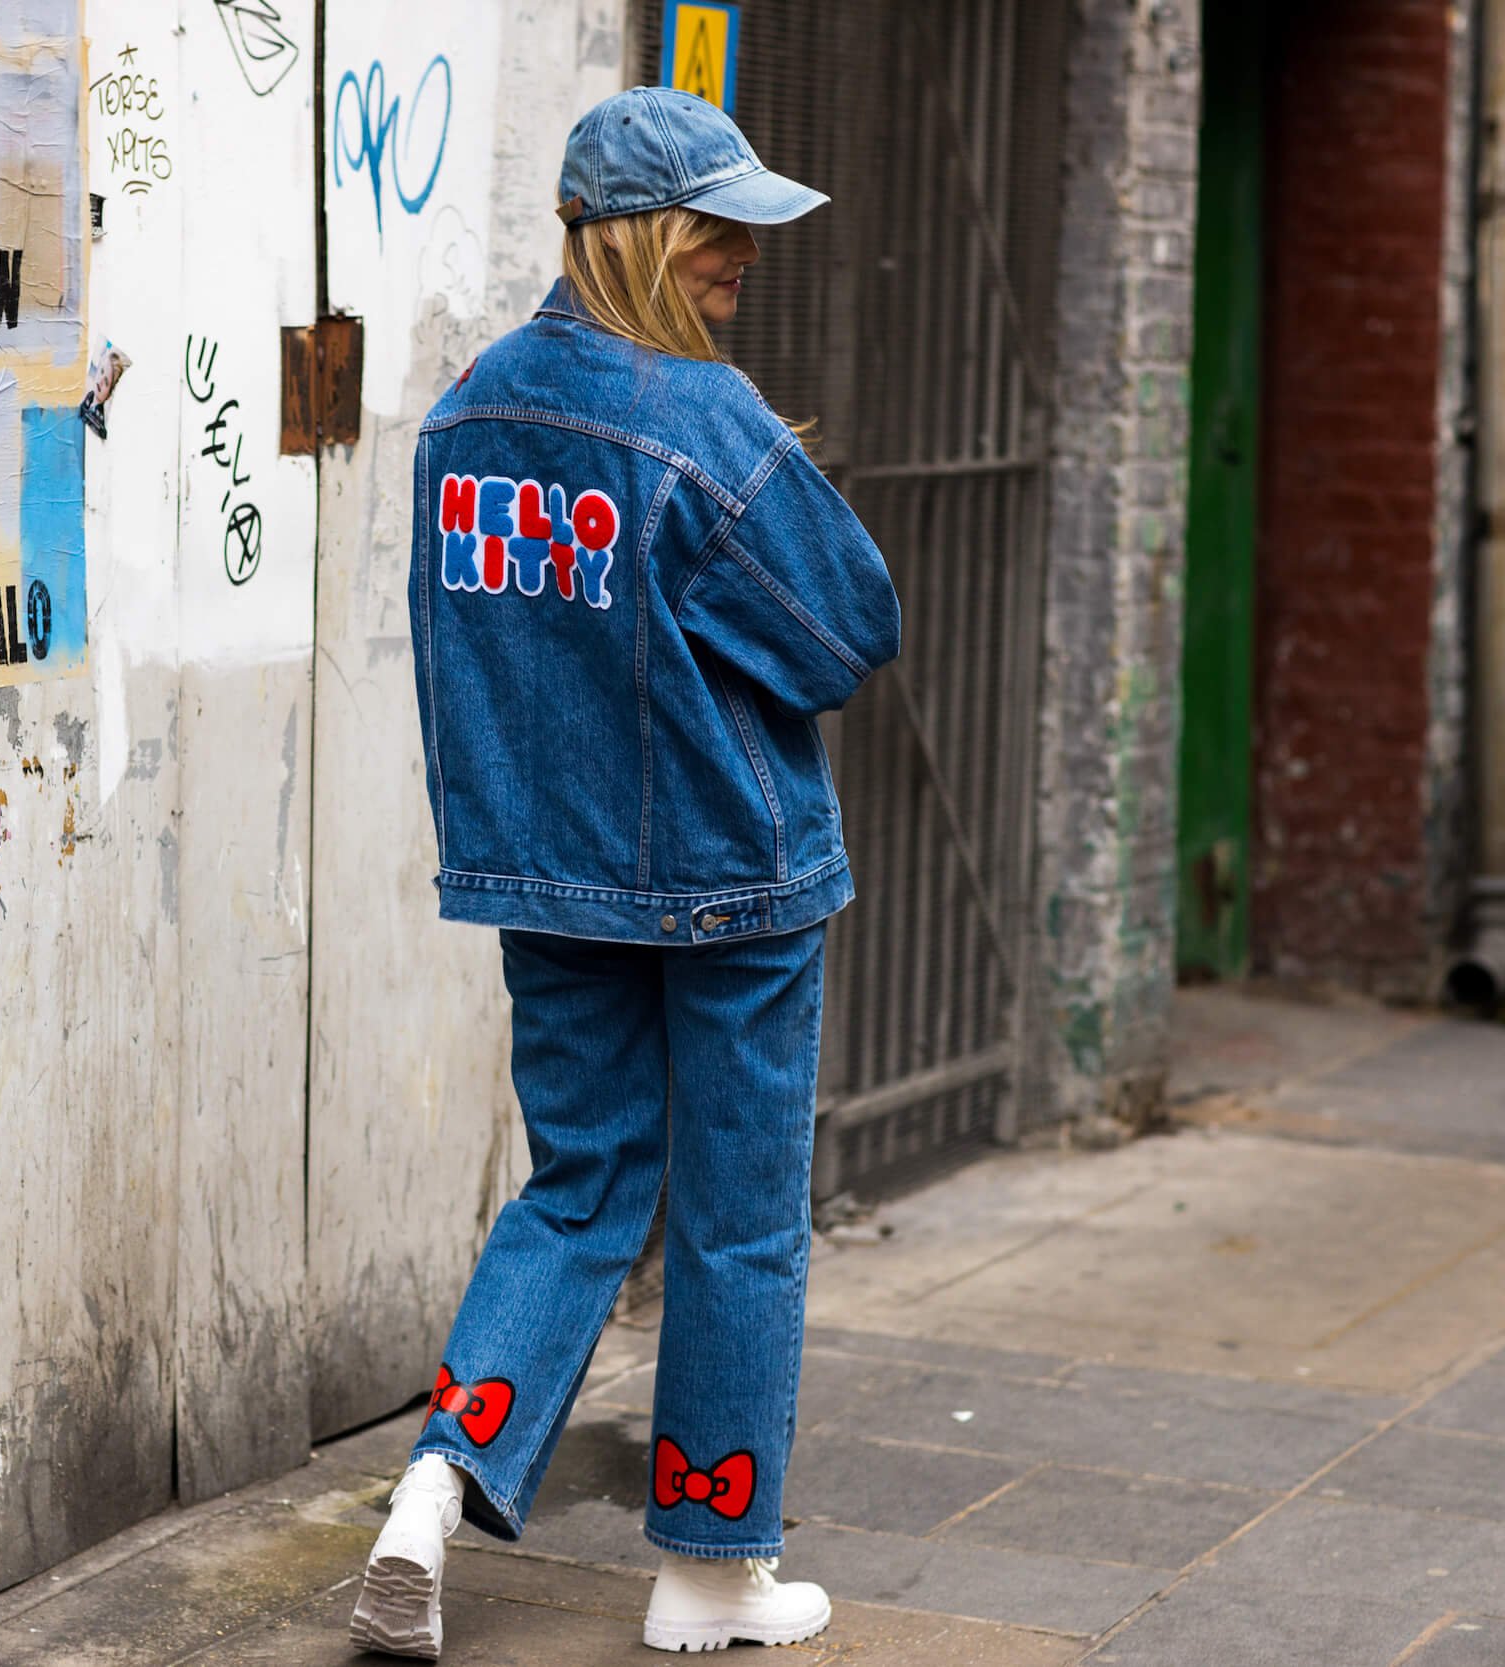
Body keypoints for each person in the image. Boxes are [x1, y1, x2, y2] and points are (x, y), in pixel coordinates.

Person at [347, 86, 901, 1658]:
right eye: (714, 226)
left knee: (581, 1185)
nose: (743, 255)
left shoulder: (464, 414)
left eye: (747, 227)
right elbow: (849, 631)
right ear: (638, 238)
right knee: (737, 1218)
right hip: (735, 874)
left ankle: (435, 1491)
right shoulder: (702, 417)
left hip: (549, 875)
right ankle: (710, 1573)